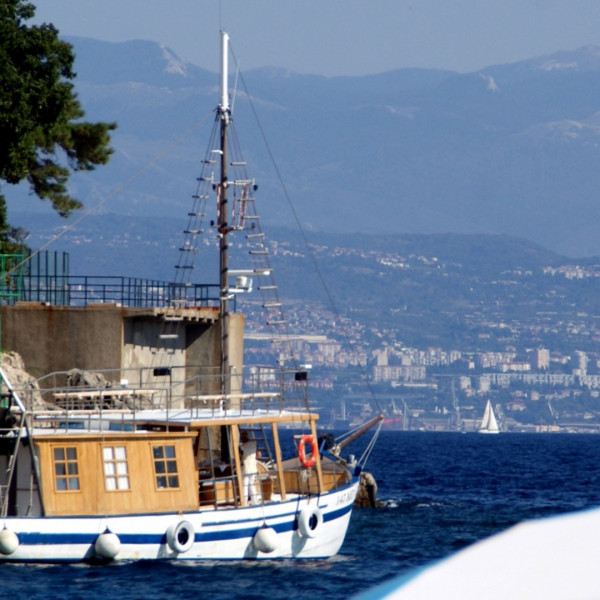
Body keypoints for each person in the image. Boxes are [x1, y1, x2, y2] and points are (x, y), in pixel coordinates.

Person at [240, 430, 261, 505]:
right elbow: (259, 454)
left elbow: (240, 457)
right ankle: (255, 501)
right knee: (251, 484)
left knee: (245, 485)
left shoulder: (242, 447)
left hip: (246, 467)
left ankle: (244, 503)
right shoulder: (254, 444)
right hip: (253, 466)